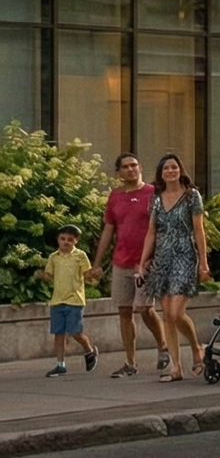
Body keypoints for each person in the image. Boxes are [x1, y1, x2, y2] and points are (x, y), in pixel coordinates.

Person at [90, 152, 166, 378]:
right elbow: (108, 230)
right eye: (125, 167)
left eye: (134, 165)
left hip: (145, 262)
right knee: (124, 310)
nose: (131, 169)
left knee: (144, 308)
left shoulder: (153, 194)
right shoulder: (115, 197)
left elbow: (162, 228)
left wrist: (153, 256)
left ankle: (163, 347)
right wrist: (97, 263)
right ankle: (130, 363)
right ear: (119, 173)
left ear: (141, 167)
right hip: (121, 261)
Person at [137, 153, 210, 382]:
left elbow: (199, 230)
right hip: (162, 257)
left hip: (184, 256)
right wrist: (142, 263)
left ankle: (197, 348)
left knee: (176, 312)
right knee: (167, 315)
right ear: (161, 173)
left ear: (180, 170)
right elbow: (151, 232)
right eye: (166, 168)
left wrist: (204, 263)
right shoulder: (156, 198)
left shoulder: (191, 197)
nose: (170, 171)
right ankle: (176, 368)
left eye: (174, 167)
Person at [44, 226, 98, 377]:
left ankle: (89, 350)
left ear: (76, 241)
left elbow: (87, 274)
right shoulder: (54, 257)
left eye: (70, 239)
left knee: (75, 332)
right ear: (58, 240)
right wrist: (43, 276)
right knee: (58, 333)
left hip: (75, 300)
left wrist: (92, 275)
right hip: (57, 300)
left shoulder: (80, 256)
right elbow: (48, 274)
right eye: (63, 239)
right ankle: (60, 364)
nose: (66, 242)